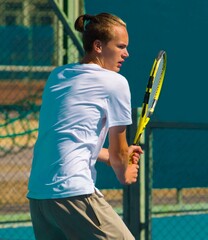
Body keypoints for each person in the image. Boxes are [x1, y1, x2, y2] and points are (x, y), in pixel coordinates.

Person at [27, 13, 143, 240]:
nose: (126, 54)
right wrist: (124, 171)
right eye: (121, 46)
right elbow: (121, 154)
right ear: (98, 46)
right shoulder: (115, 83)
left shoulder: (58, 75)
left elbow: (66, 135)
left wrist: (109, 157)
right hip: (73, 194)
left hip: (39, 198)